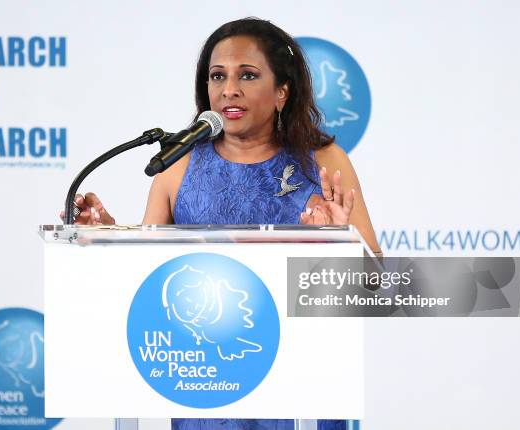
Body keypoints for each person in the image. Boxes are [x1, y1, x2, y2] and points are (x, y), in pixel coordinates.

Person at [66, 17, 380, 430]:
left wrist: (340, 241)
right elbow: (144, 279)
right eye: (218, 76)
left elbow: (378, 286)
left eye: (247, 75)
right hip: (204, 394)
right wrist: (104, 234)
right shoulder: (176, 167)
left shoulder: (322, 162)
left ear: (282, 91)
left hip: (300, 397)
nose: (229, 89)